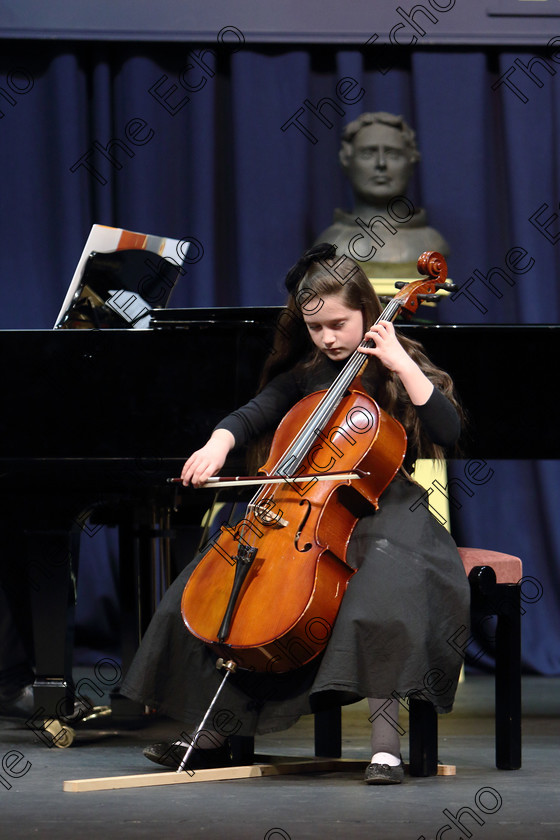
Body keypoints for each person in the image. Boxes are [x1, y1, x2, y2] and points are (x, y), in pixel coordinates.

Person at [121, 244, 470, 785]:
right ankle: (211, 734)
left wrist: (398, 359)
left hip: (385, 508)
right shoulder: (307, 375)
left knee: (381, 589)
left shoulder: (402, 363)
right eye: (315, 328)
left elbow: (448, 431)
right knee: (224, 582)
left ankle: (385, 746)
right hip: (305, 511)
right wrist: (218, 442)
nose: (329, 338)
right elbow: (255, 412)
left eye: (339, 324)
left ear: (367, 310)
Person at [315, 112, 449, 277]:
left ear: (411, 162)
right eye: (368, 154)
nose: (381, 164)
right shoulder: (332, 243)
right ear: (346, 161)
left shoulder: (432, 243)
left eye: (393, 154)